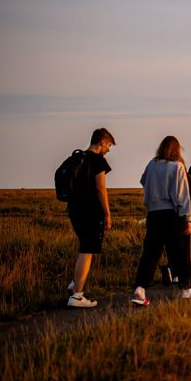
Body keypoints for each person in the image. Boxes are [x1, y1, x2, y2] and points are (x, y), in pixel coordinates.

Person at [131, 136, 191, 306]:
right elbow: (183, 195)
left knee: (151, 253)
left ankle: (140, 288)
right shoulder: (177, 166)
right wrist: (187, 218)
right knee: (180, 252)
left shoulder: (152, 164)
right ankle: (185, 288)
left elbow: (143, 180)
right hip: (173, 213)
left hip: (153, 213)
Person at [66, 127, 115, 308]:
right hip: (91, 211)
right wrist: (108, 214)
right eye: (108, 145)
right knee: (87, 251)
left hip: (74, 210)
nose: (108, 149)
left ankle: (74, 284)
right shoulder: (97, 161)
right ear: (102, 141)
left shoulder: (78, 157)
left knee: (84, 248)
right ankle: (77, 296)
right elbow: (101, 189)